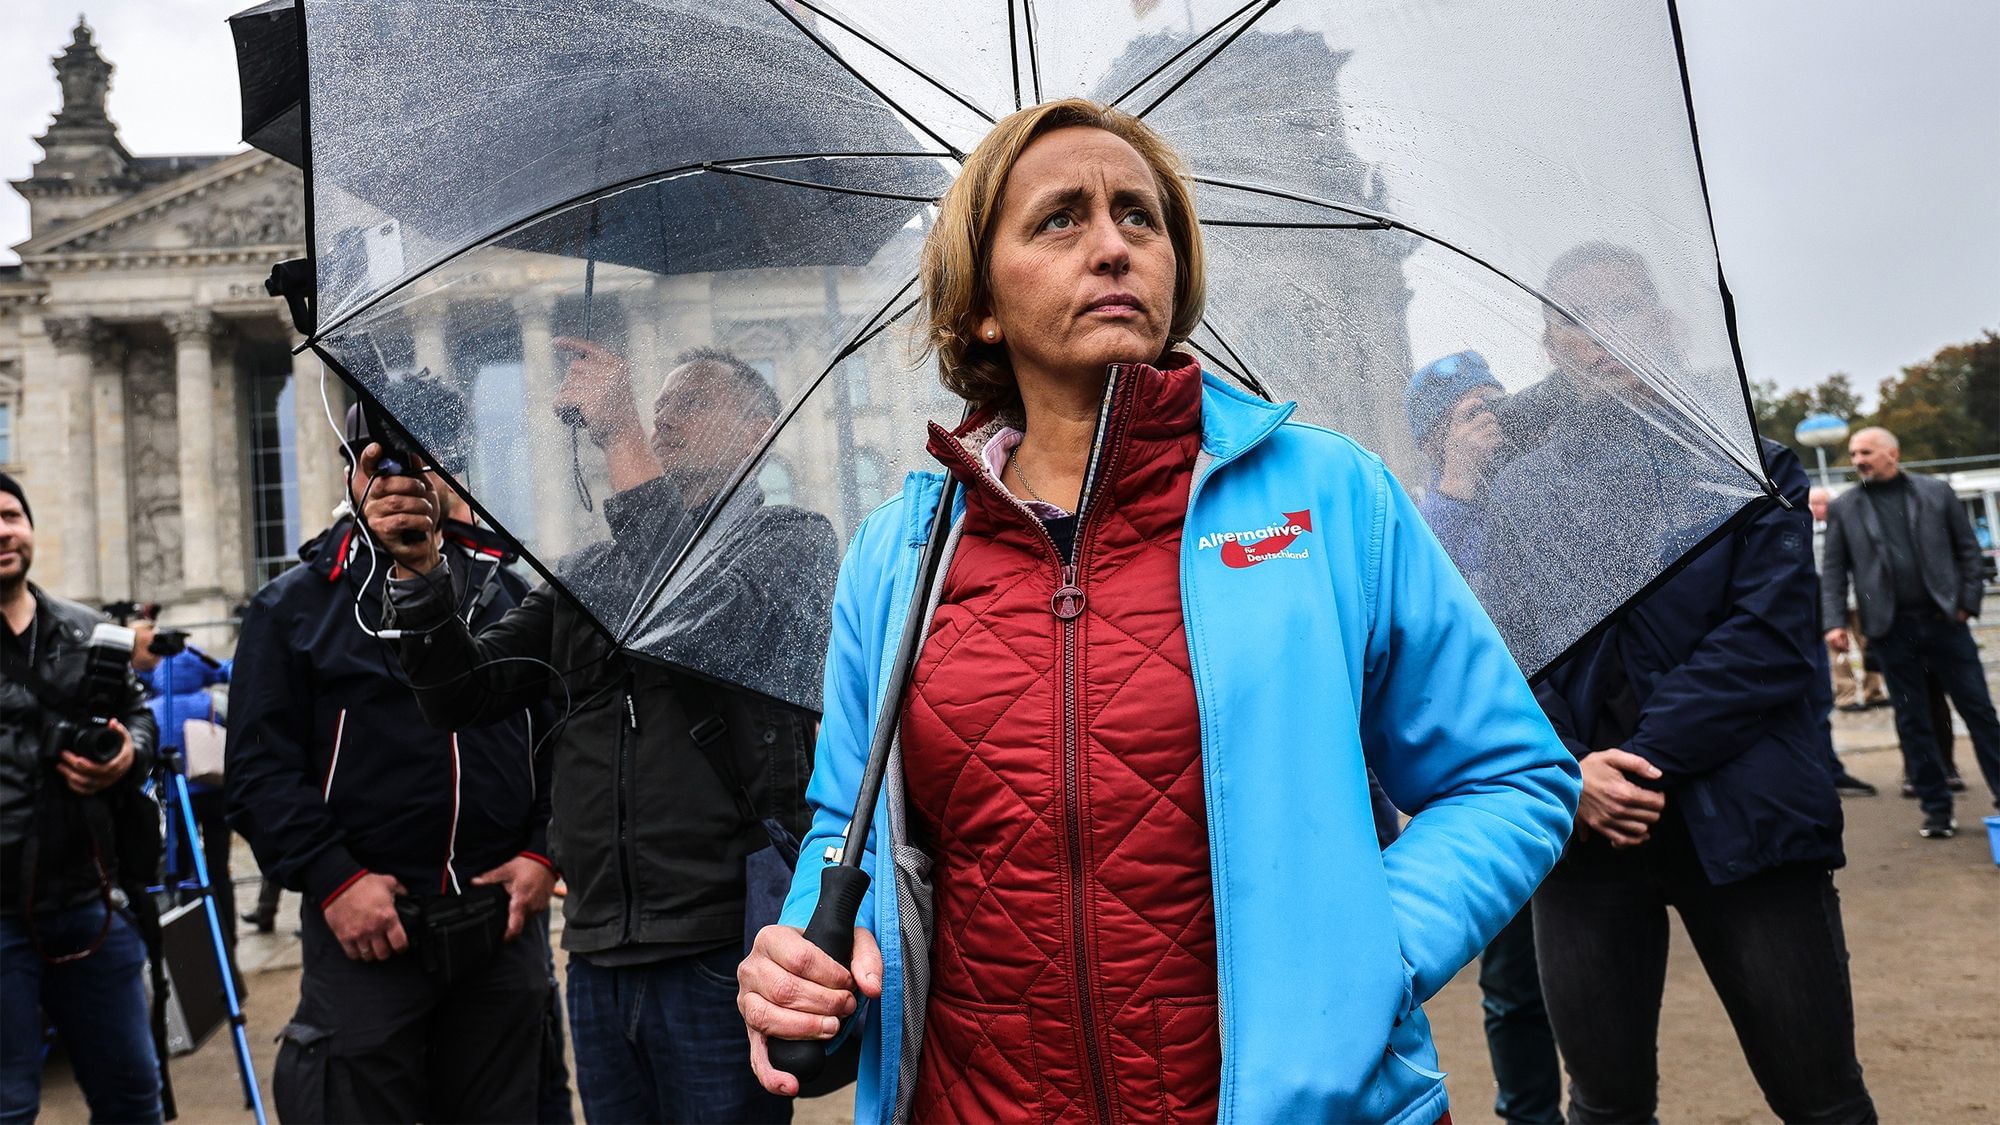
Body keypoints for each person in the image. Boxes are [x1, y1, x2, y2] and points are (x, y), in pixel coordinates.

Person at [734, 98, 1580, 1124]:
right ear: (980, 306)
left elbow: (1507, 777)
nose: (1112, 245)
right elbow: (847, 824)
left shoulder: (1329, 498)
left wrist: (1369, 951)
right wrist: (808, 949)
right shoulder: (898, 553)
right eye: (1059, 219)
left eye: (1139, 217)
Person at [362, 346, 832, 1124]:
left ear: (758, 430)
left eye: (696, 400)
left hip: (719, 948)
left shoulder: (792, 543)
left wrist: (619, 435)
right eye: (658, 403)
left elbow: (698, 613)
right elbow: (464, 692)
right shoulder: (591, 571)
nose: (665, 415)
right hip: (598, 948)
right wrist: (419, 574)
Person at [1487, 247, 1875, 1123]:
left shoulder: (1748, 469)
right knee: (1605, 1104)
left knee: (1820, 1095)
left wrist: (1641, 758)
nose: (1599, 338)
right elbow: (1504, 659)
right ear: (1550, 344)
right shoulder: (1521, 492)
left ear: (1662, 323)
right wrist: (1568, 774)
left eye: (1621, 309)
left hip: (1745, 811)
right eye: (1574, 322)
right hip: (1584, 833)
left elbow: (1767, 645)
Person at [225, 403, 558, 1123]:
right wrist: (332, 878)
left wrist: (545, 851)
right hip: (370, 927)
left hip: (501, 923)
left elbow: (562, 739)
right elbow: (257, 771)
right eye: (381, 463)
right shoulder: (294, 606)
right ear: (351, 474)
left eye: (421, 462)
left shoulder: (508, 594)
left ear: (455, 471)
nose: (402, 482)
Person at [1405, 353, 1562, 1125]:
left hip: (1572, 741)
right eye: (1469, 413)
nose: (1494, 420)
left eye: (1497, 403)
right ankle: (1529, 1112)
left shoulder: (1548, 491)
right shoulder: (1425, 521)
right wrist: (1462, 481)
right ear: (1435, 436)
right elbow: (1436, 627)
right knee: (1514, 978)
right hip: (1489, 769)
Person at [0, 473, 164, 1123]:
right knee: (9, 1106)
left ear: (31, 529)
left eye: (11, 515)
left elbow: (141, 716)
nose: (2, 531)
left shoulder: (89, 629)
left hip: (91, 902)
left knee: (132, 1099)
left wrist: (130, 755)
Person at [1821, 425, 2000, 839]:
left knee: (1980, 712)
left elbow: (1968, 551)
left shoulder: (1935, 493)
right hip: (1889, 631)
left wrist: (1966, 604)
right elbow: (1833, 570)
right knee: (1912, 719)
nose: (1858, 460)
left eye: (1866, 452)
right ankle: (1936, 809)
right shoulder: (1845, 507)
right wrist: (1832, 622)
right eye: (1853, 453)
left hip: (1944, 624)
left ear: (1892, 454)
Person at [128, 612, 246, 966]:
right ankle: (227, 944)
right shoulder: (200, 683)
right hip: (214, 789)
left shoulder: (151, 704)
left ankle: (191, 945)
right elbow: (227, 670)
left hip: (177, 795)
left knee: (181, 870)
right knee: (218, 867)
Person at [1809, 487, 1888, 712]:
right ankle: (1846, 695)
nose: (1818, 508)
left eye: (1821, 503)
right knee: (1837, 651)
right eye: (1813, 504)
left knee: (1868, 644)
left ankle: (1874, 691)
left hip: (1858, 597)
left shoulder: (1849, 527)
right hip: (1828, 600)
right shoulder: (1807, 532)